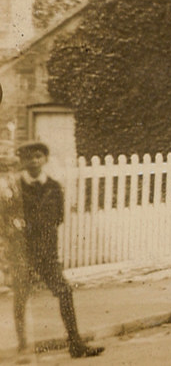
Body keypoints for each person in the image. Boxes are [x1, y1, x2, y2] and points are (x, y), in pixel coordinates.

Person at [7, 141, 103, 359]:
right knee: (21, 299)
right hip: (22, 253)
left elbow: (58, 218)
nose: (33, 161)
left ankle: (76, 344)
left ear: (45, 160)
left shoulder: (53, 187)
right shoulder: (14, 189)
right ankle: (23, 349)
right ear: (22, 161)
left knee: (65, 292)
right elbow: (6, 220)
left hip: (47, 253)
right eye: (29, 157)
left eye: (38, 156)